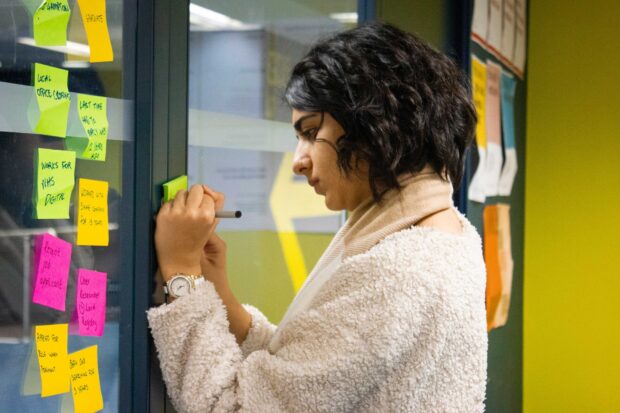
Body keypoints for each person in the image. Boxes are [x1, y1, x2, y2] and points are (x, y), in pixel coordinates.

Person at [148, 22, 487, 412]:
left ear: (374, 120)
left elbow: (231, 407)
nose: (298, 161)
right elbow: (309, 377)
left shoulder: (397, 275)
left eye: (311, 131)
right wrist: (218, 291)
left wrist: (181, 271)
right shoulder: (442, 233)